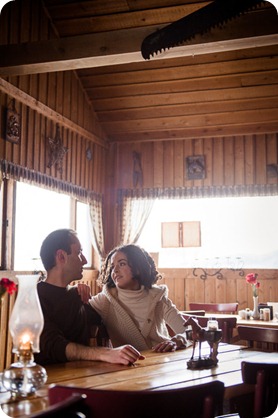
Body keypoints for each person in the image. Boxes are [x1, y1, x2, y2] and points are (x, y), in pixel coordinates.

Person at [34, 229, 145, 366]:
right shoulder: (34, 296)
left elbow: (105, 322)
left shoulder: (78, 295)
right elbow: (54, 345)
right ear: (61, 256)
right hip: (47, 380)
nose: (85, 260)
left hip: (83, 377)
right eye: (79, 252)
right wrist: (105, 353)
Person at [83, 244, 191, 352]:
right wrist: (77, 289)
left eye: (121, 264)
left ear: (138, 268)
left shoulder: (158, 297)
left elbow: (189, 332)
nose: (115, 270)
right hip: (129, 365)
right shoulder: (106, 300)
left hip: (162, 361)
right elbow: (78, 311)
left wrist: (177, 340)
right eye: (112, 266)